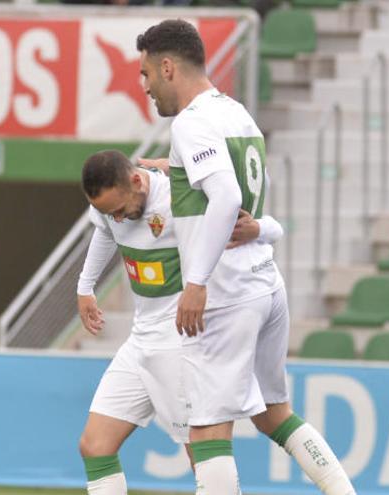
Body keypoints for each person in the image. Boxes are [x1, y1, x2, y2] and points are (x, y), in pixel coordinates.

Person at [136, 20, 355, 495]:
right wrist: (170, 170)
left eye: (147, 73)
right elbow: (250, 203)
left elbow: (226, 196)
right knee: (274, 413)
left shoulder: (191, 123)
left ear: (168, 66)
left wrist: (195, 283)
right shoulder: (237, 114)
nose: (146, 86)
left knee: (207, 427)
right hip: (264, 284)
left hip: (226, 294)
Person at [76, 150, 284, 493]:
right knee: (95, 446)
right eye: (106, 212)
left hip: (181, 341)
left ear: (137, 180)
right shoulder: (109, 209)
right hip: (141, 339)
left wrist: (260, 228)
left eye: (118, 209)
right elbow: (103, 231)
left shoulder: (182, 198)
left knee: (202, 454)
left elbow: (263, 225)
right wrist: (85, 287)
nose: (116, 218)